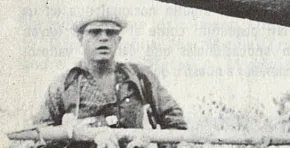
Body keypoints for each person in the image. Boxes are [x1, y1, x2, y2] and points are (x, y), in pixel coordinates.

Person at [35, 10, 187, 145]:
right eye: (95, 32)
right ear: (80, 39)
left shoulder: (139, 76)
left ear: (118, 40)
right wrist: (73, 135)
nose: (103, 38)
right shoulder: (64, 85)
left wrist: (147, 139)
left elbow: (176, 125)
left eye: (110, 33)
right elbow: (38, 136)